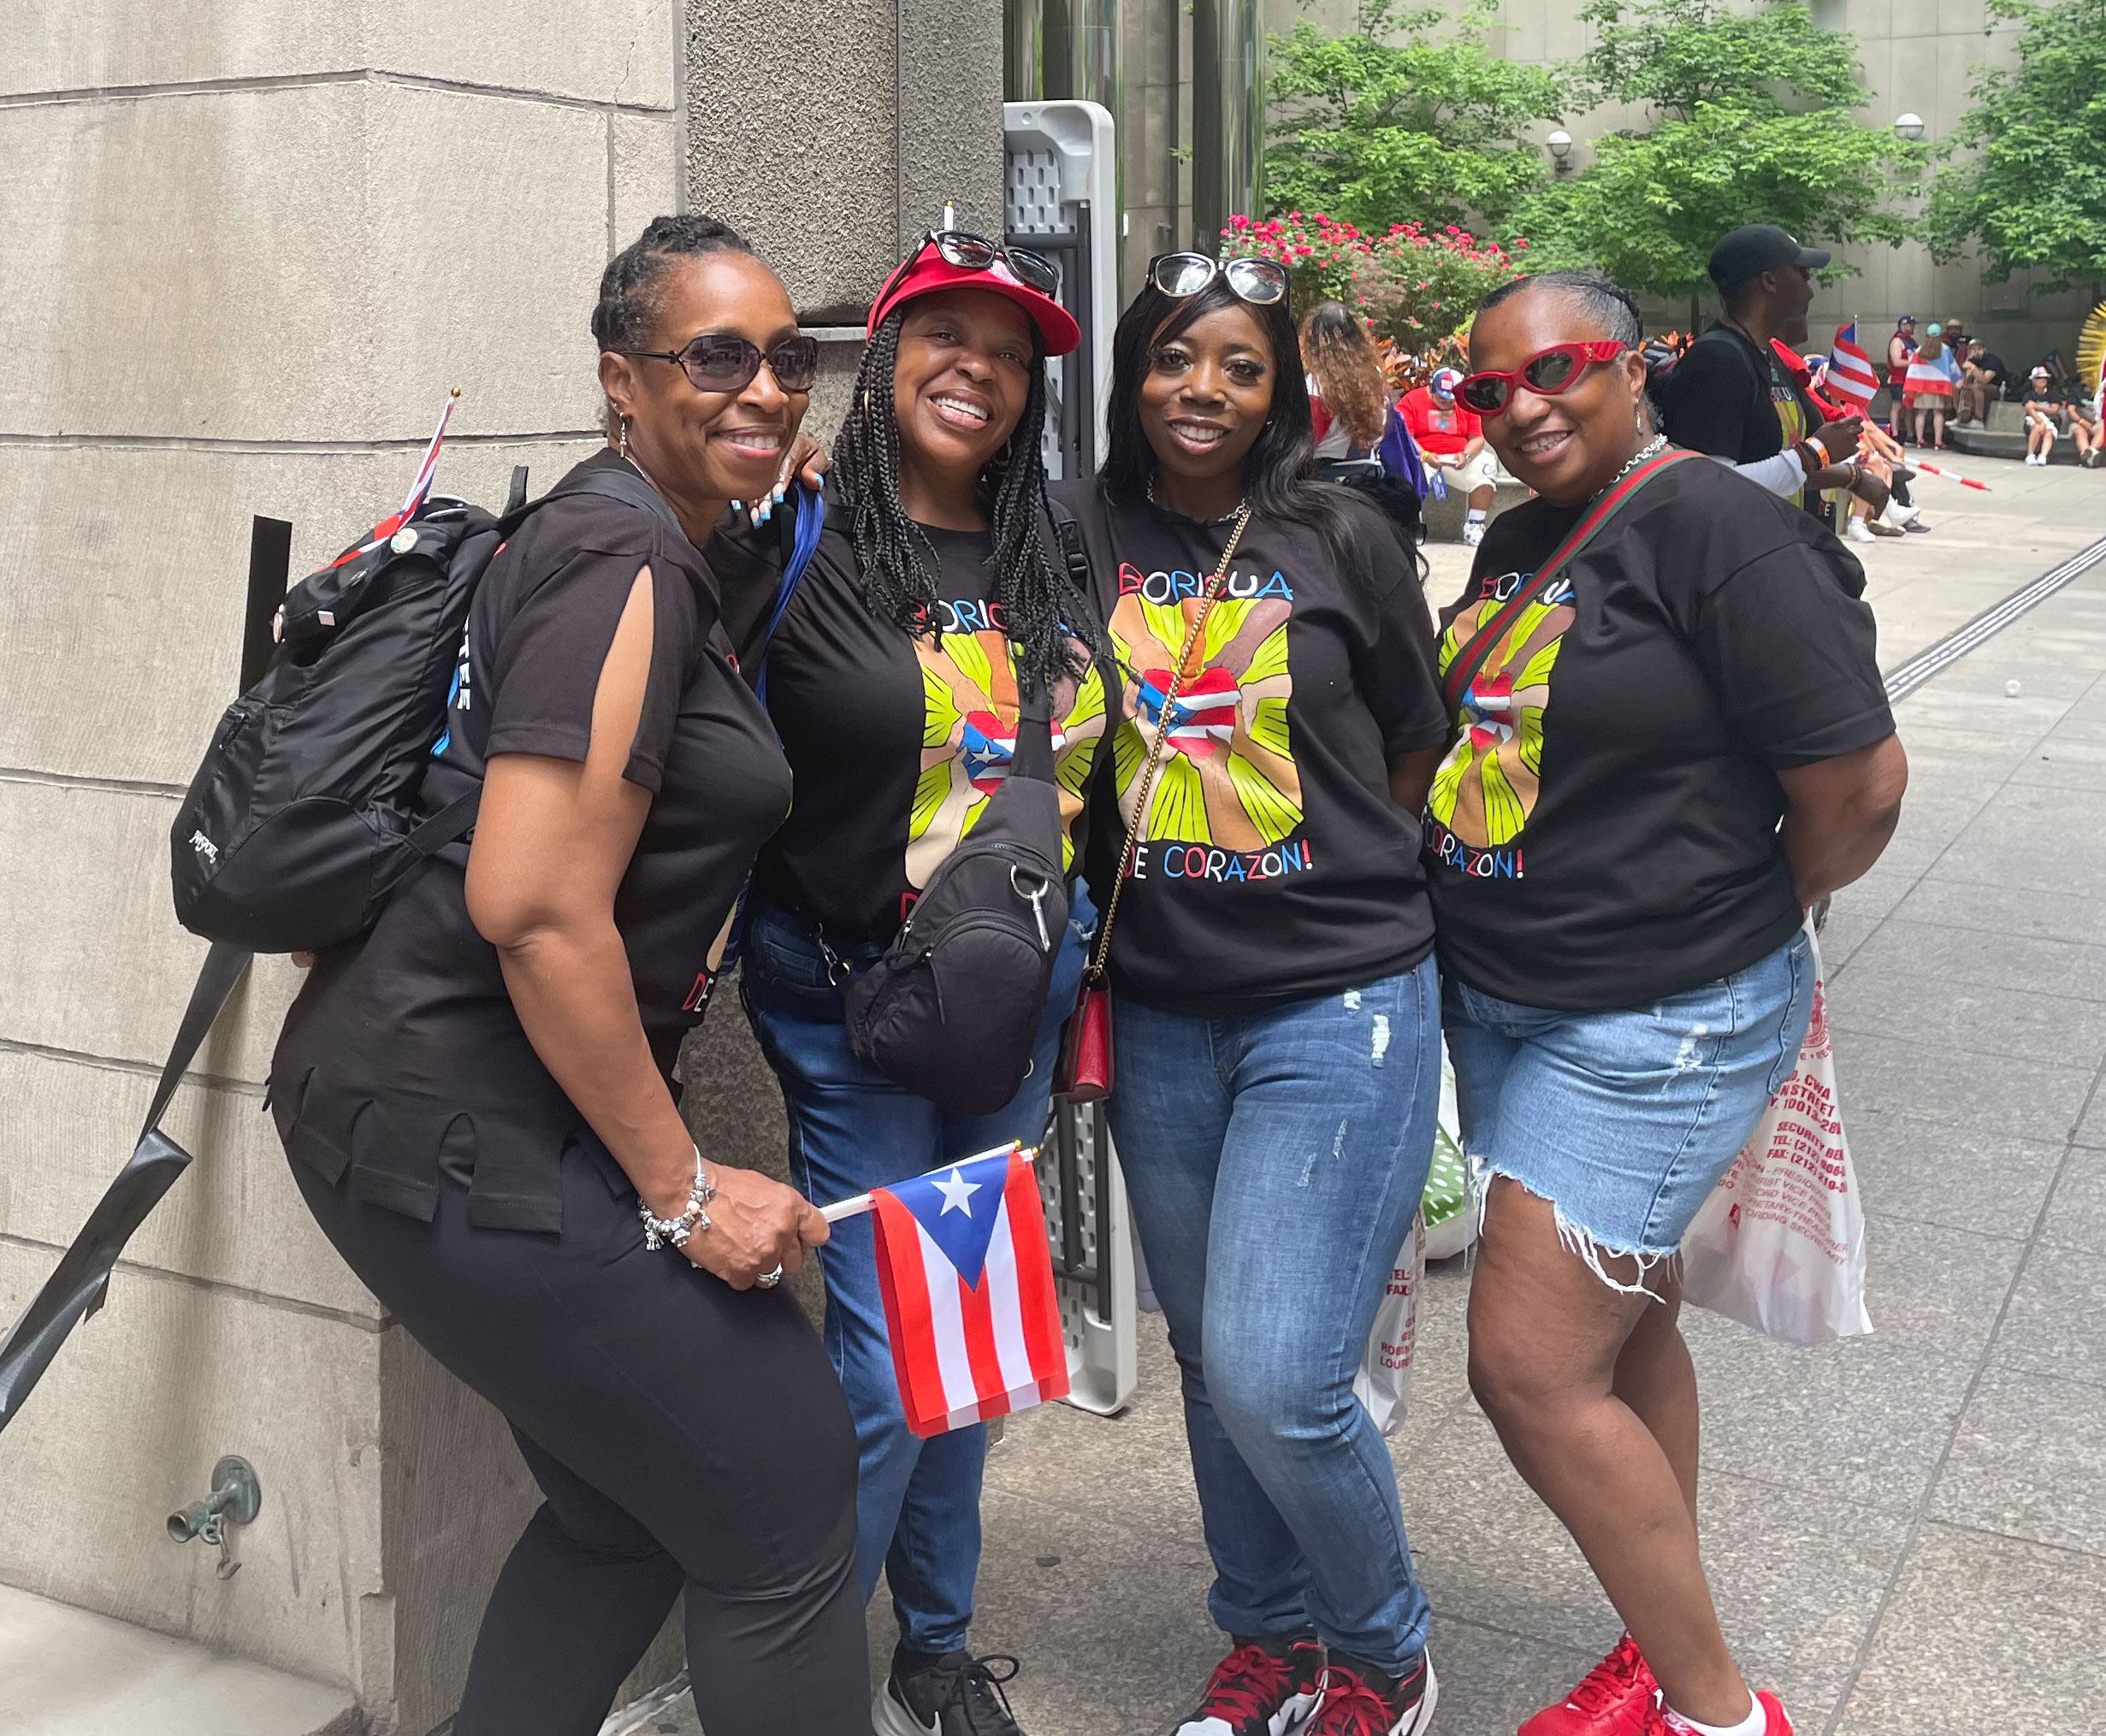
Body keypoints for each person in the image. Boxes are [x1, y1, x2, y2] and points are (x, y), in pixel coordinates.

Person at [268, 215, 866, 1736]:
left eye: (788, 358)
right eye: (714, 357)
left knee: (621, 1513)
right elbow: (534, 907)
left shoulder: (642, 542)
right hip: (459, 1123)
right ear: (621, 379)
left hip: (397, 1095)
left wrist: (752, 523)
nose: (763, 387)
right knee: (786, 1498)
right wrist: (684, 1190)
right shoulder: (619, 558)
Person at [1435, 268, 1906, 1736]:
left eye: (1557, 367)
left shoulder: (1715, 524)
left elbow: (1858, 788)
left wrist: (1750, 908)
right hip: (1513, 1001)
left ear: (1635, 366)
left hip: (1653, 1019)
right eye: (1488, 389)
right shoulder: (1519, 536)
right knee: (1624, 1331)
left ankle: (1715, 1713)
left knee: (1525, 1368)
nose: (1523, 407)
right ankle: (1652, 1652)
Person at [1053, 251, 1453, 1736]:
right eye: (1173, 357)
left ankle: (1384, 1653)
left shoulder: (1341, 533)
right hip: (1158, 1007)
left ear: (1280, 389)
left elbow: (1413, 742)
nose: (1202, 389)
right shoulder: (1072, 531)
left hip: (1336, 1002)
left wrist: (1328, 882)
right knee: (1210, 1361)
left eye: (1238, 365)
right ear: (1131, 376)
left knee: (1282, 1377)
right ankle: (1269, 1638)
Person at [732, 230, 1105, 1736]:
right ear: (883, 354)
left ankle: (934, 1652)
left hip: (1014, 1001)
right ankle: (799, 1688)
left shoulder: (1052, 543)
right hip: (853, 1011)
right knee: (890, 1368)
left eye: (1011, 354)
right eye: (948, 335)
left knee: (974, 1345)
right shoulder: (794, 534)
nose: (981, 370)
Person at [1657, 226, 1882, 522]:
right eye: (1802, 273)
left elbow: (1782, 467)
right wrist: (1815, 452)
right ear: (1770, 282)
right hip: (1737, 546)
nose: (1811, 291)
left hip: (1775, 538)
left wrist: (1853, 477)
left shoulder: (1767, 354)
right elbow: (1712, 486)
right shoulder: (1717, 361)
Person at [1301, 298, 1430, 535]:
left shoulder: (1314, 385)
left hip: (1323, 490)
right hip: (1371, 482)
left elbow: (1305, 448)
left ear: (1312, 340)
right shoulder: (1374, 377)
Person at [1401, 364, 1500, 543]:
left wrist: (1465, 455)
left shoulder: (1466, 402)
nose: (1447, 402)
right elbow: (1405, 437)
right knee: (1409, 464)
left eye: (1451, 399)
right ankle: (1413, 526)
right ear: (1432, 389)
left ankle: (1474, 527)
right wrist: (1425, 455)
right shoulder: (1411, 400)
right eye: (1442, 398)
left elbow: (1477, 438)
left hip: (1457, 459)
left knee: (1487, 463)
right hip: (1424, 457)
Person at [1903, 322, 1958, 449]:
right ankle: (1938, 442)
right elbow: (1952, 368)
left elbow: (1913, 369)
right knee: (1938, 413)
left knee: (1920, 413)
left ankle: (1919, 440)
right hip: (1939, 387)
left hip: (1921, 387)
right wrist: (1957, 380)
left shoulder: (1920, 350)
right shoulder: (1945, 349)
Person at [1956, 338, 2007, 425]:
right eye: (1973, 350)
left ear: (1984, 350)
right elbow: (1966, 381)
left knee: (1977, 387)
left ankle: (1978, 419)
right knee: (1956, 386)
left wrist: (1972, 368)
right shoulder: (1971, 360)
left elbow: (1985, 380)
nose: (1977, 352)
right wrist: (1963, 380)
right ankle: (1959, 416)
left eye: (1979, 349)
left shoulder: (1992, 360)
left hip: (1995, 388)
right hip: (1976, 386)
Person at [2023, 364, 2060, 465]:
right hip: (2033, 421)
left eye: (2044, 378)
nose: (2042, 380)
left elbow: (2054, 410)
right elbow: (2029, 410)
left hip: (2051, 422)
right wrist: (2041, 422)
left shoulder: (2053, 393)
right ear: (2033, 380)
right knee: (2037, 427)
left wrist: (2037, 406)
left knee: (2049, 433)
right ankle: (2030, 455)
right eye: (2039, 378)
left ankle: (2043, 456)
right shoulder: (2029, 395)